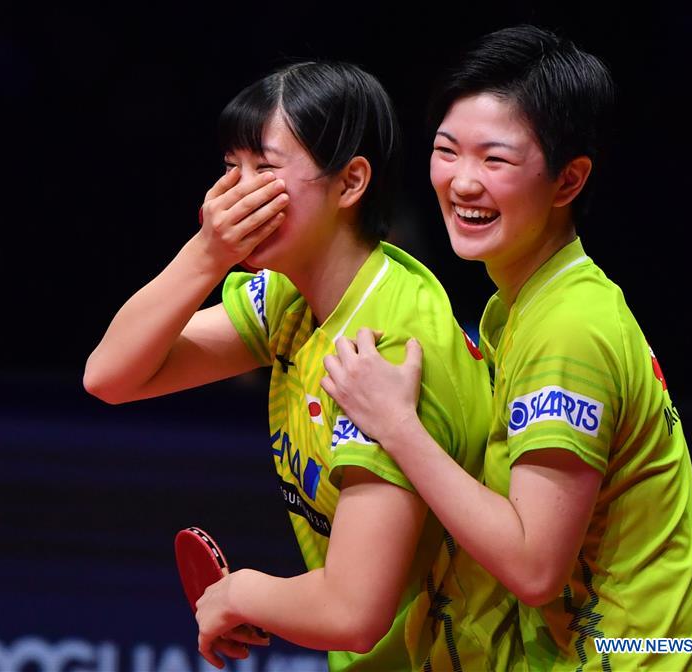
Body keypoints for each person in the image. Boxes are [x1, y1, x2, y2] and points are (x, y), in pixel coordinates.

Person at [321, 26, 692, 671]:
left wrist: (396, 425)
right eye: (447, 151)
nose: (462, 182)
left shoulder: (568, 329)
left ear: (568, 181)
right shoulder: (524, 308)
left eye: (495, 160)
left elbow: (534, 564)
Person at [84, 61, 520, 670]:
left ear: (350, 183)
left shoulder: (385, 346)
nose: (236, 193)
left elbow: (352, 613)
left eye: (264, 168)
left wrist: (237, 594)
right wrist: (207, 252)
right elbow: (112, 375)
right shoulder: (295, 295)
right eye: (230, 167)